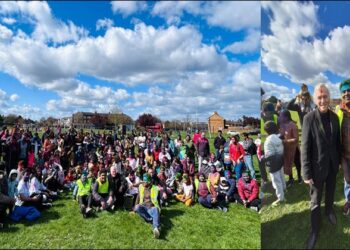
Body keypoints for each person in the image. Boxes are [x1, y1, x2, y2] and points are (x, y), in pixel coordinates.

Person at [301, 84, 340, 250]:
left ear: (329, 97)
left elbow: (336, 142)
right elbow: (305, 147)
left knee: (330, 192)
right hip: (316, 169)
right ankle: (315, 230)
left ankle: (329, 211)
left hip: (332, 166)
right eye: (319, 97)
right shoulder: (309, 118)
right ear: (315, 99)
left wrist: (338, 162)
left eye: (325, 97)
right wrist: (306, 172)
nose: (323, 100)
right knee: (315, 201)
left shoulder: (335, 117)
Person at [335, 79, 350, 216]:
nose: (346, 93)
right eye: (344, 91)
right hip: (344, 154)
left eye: (348, 90)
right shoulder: (338, 110)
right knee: (347, 179)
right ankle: (348, 200)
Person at [263, 121, 285, 206]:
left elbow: (268, 155)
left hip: (272, 163)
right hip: (280, 159)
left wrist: (263, 158)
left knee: (276, 181)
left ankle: (280, 198)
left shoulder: (268, 141)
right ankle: (284, 189)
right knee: (281, 175)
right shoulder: (278, 137)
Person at [134, 173, 161, 239]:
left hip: (151, 208)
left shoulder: (155, 188)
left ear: (149, 182)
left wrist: (159, 210)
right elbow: (138, 197)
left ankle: (156, 229)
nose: (143, 183)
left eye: (145, 181)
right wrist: (134, 210)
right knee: (137, 207)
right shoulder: (141, 187)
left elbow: (158, 200)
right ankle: (152, 219)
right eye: (143, 181)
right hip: (143, 207)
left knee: (155, 209)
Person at [279, 109, 300, 187]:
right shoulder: (281, 125)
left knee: (297, 163)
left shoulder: (293, 125)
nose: (280, 118)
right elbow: (281, 134)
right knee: (287, 163)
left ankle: (300, 177)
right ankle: (291, 178)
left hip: (294, 148)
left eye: (281, 116)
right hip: (286, 148)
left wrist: (285, 141)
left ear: (286, 117)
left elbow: (296, 138)